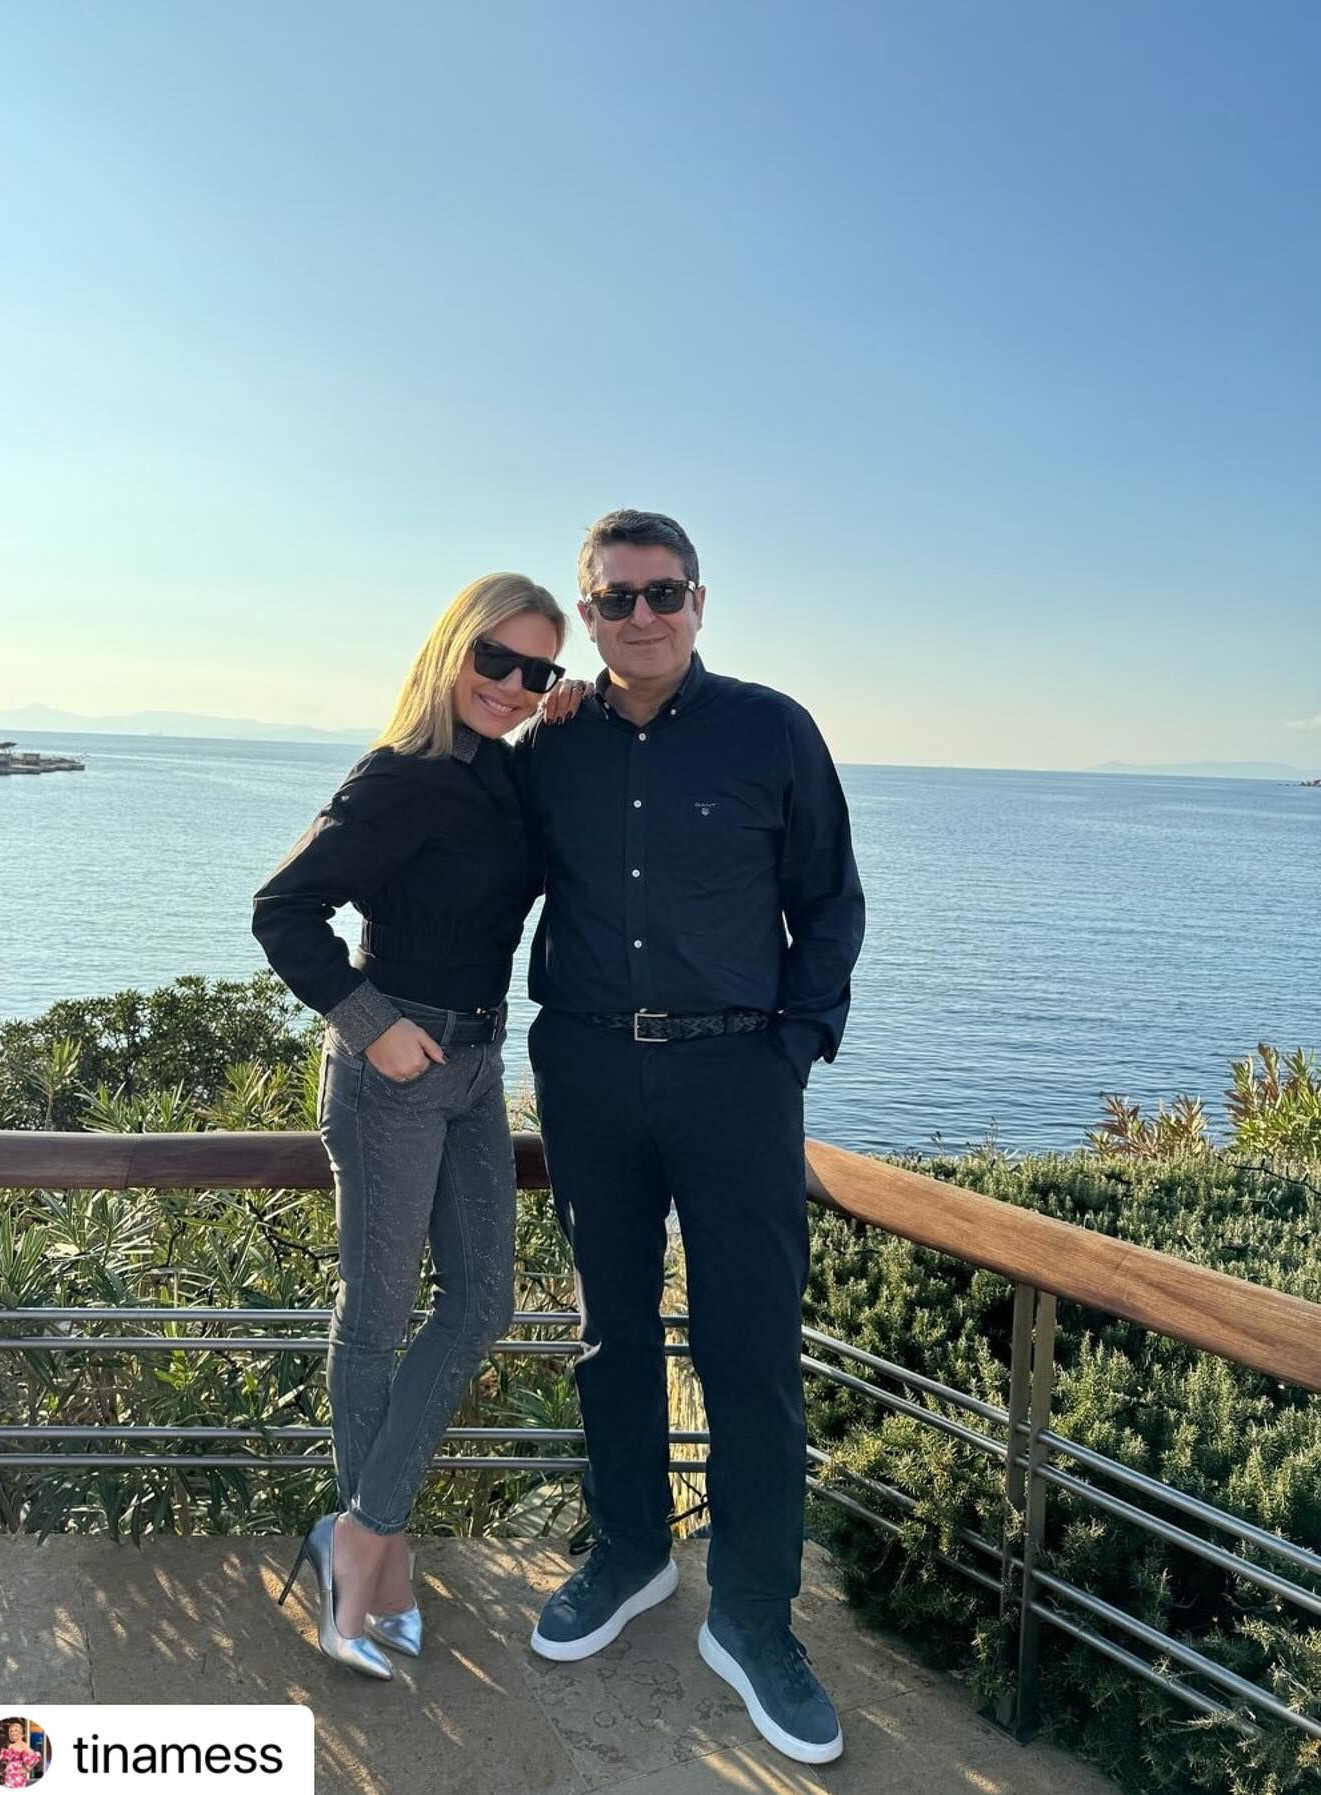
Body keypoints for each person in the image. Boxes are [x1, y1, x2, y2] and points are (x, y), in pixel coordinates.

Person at [516, 510, 864, 1765]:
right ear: (589, 616)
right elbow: (470, 866)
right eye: (616, 598)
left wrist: (793, 1047)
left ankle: (756, 1614)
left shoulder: (773, 729)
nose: (643, 614)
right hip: (590, 1069)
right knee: (608, 1328)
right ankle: (631, 1551)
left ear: (700, 602)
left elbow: (830, 901)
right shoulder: (550, 744)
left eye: (663, 592)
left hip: (736, 1076)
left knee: (750, 1348)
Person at [255, 572, 578, 1680]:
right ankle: (374, 1559)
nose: (513, 684)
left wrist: (567, 717)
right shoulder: (399, 775)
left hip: (479, 1062)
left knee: (483, 1301)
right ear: (452, 649)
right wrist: (371, 1023)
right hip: (394, 1067)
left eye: (538, 669)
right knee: (378, 1317)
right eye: (496, 658)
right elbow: (282, 909)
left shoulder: (505, 771)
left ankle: (358, 1531)